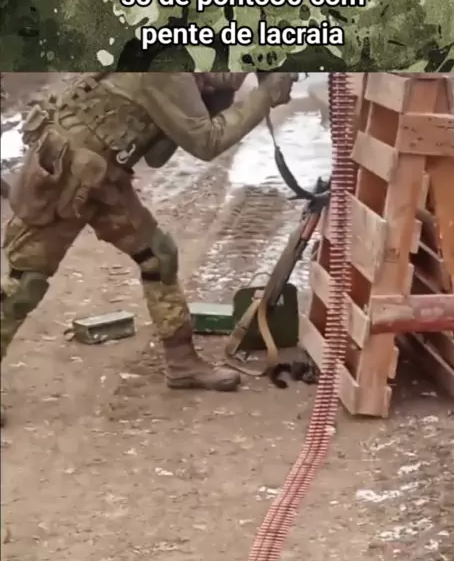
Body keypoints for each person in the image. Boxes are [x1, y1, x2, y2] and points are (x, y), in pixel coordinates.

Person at [0, 71, 297, 425]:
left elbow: (157, 154)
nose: (237, 73)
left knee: (159, 256)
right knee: (25, 284)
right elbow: (207, 142)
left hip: (101, 176)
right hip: (66, 176)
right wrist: (267, 92)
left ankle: (182, 362)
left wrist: (215, 95)